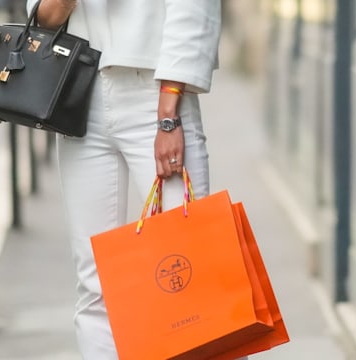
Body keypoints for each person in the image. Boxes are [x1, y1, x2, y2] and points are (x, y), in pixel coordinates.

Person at [27, 0, 232, 359]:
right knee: (94, 282)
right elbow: (44, 17)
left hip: (156, 93)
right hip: (80, 91)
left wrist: (168, 115)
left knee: (188, 269)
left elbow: (194, 8)